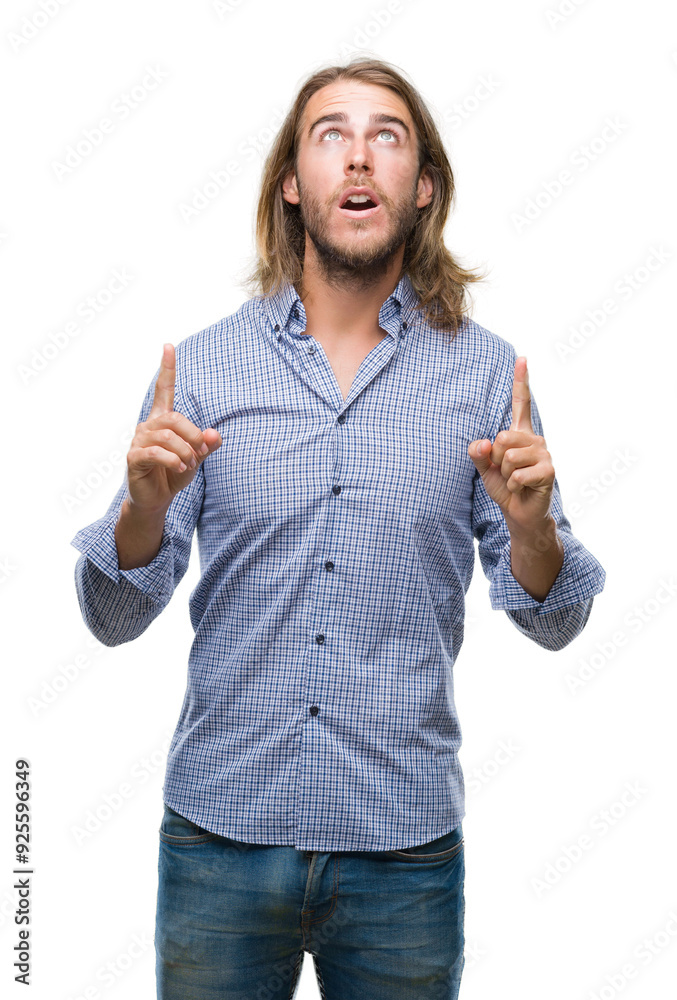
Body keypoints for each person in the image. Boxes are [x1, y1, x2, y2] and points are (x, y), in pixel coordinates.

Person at [71, 57, 606, 1000]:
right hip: (218, 843)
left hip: (403, 855)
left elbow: (555, 620)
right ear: (290, 182)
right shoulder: (199, 371)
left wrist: (532, 534)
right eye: (331, 135)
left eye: (386, 137)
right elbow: (112, 619)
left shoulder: (487, 381)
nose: (358, 158)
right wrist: (142, 512)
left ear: (423, 185)